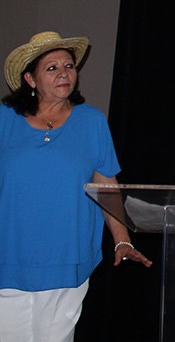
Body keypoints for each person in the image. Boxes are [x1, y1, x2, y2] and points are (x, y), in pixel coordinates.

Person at [0, 31, 152, 342]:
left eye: (69, 66)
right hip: (9, 256)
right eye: (51, 68)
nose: (64, 73)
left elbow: (106, 184)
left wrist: (122, 240)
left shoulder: (91, 121)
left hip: (68, 257)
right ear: (30, 79)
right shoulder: (4, 119)